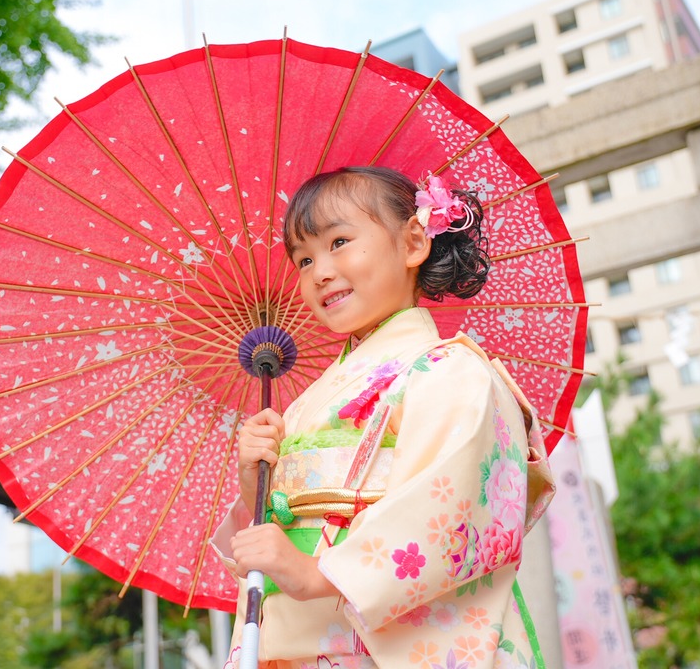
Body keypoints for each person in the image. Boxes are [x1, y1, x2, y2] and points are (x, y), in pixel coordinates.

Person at [211, 167, 555, 669]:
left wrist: (314, 575)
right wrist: (254, 482)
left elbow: (446, 516)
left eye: (340, 242)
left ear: (414, 241)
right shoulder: (308, 401)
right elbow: (291, 523)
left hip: (375, 643)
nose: (319, 271)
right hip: (296, 646)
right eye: (303, 259)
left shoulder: (449, 370)